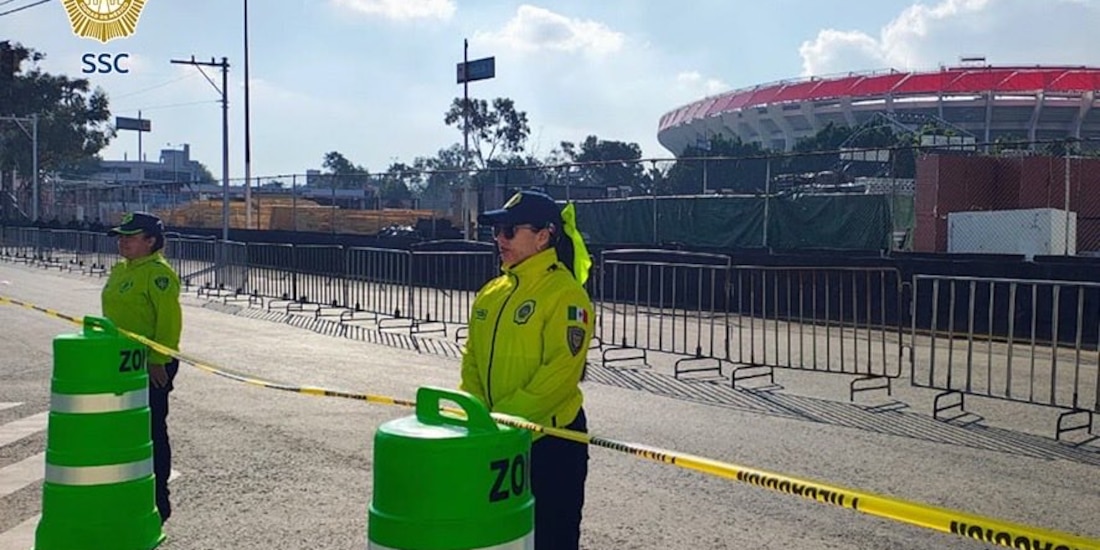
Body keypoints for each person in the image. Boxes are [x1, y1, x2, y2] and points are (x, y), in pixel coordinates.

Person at [460, 190, 595, 550]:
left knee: (551, 539)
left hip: (549, 443)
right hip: (496, 439)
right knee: (499, 539)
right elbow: (471, 358)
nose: (499, 239)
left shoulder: (565, 294)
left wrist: (502, 421)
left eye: (508, 230)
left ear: (543, 236)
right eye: (496, 231)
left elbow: (559, 375)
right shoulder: (491, 292)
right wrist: (479, 416)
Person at [101, 212, 182, 525]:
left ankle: (158, 500)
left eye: (131, 237)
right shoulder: (122, 270)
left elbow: (169, 321)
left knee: (151, 430)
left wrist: (158, 359)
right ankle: (127, 489)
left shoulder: (158, 274)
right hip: (120, 361)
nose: (123, 242)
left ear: (151, 241)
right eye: (121, 237)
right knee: (123, 430)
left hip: (151, 364)